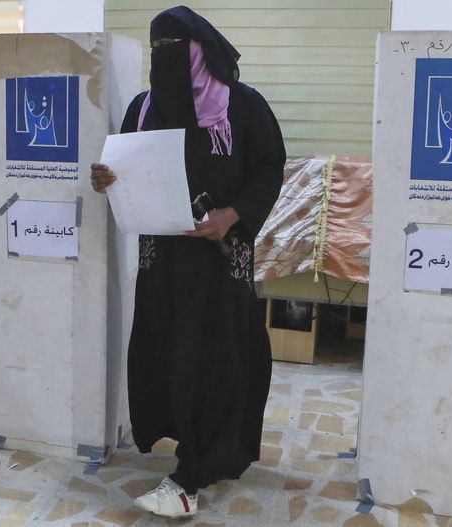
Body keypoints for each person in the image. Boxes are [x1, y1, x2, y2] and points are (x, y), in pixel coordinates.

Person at [90, 5, 285, 519]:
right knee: (170, 355)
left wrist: (235, 213)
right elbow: (126, 168)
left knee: (217, 361)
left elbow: (269, 168)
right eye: (155, 50)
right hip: (162, 262)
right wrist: (106, 179)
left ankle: (193, 471)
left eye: (172, 48)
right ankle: (193, 448)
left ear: (201, 49)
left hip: (222, 261)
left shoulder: (242, 107)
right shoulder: (143, 108)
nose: (163, 59)